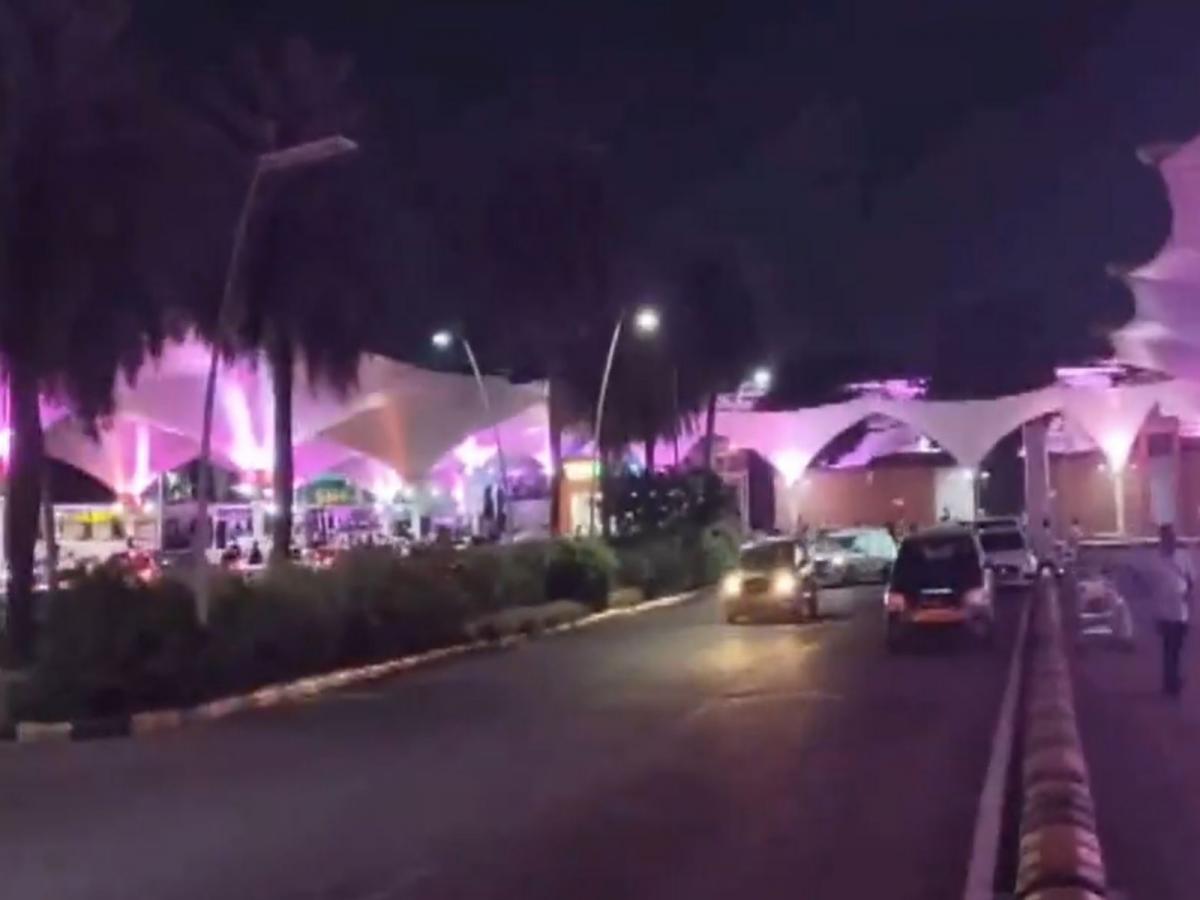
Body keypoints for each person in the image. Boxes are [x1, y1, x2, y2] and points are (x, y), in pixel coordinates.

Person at [1150, 523, 1194, 697]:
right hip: (1164, 611)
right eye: (1167, 537)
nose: (1170, 540)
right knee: (1169, 648)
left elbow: (1191, 580)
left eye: (1171, 537)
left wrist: (1187, 596)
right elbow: (1153, 587)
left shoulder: (1182, 557)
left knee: (1174, 648)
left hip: (1179, 611)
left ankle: (1171, 680)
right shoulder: (1155, 559)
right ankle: (1171, 682)